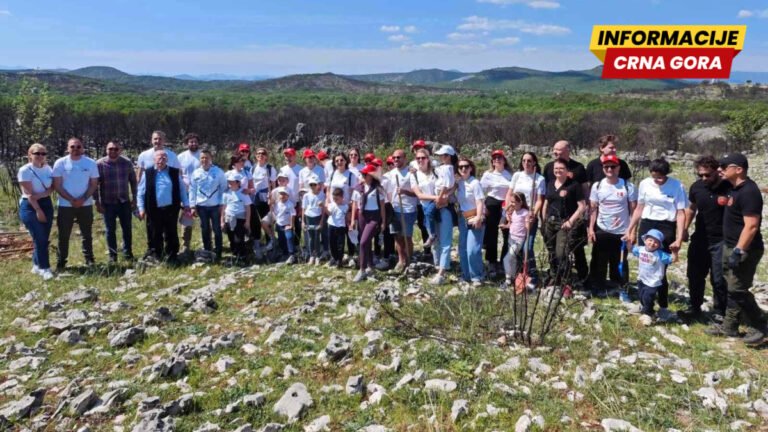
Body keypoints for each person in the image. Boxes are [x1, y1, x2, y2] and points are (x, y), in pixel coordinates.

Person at [706, 153, 767, 346]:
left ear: (739, 169)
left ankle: (760, 325)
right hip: (729, 244)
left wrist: (739, 251)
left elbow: (751, 226)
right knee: (730, 286)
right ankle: (730, 326)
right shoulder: (734, 189)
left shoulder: (749, 192)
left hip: (745, 248)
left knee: (737, 289)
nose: (720, 170)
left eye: (724, 166)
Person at [626, 158, 686, 322]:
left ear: (666, 174)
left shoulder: (676, 186)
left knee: (660, 270)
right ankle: (644, 304)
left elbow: (681, 213)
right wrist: (630, 229)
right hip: (647, 224)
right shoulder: (645, 184)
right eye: (654, 177)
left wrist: (679, 238)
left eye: (660, 177)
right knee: (645, 264)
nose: (657, 180)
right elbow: (639, 208)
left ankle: (663, 306)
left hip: (666, 226)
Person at [678, 155, 731, 322]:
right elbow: (691, 209)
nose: (704, 178)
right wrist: (685, 228)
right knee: (694, 274)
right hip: (700, 238)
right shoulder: (696, 187)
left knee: (719, 278)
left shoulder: (728, 187)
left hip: (721, 239)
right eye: (700, 175)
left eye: (707, 175)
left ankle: (720, 312)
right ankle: (694, 307)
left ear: (717, 171)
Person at [587, 154, 637, 299]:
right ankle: (598, 287)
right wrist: (591, 228)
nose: (610, 169)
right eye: (606, 166)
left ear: (618, 168)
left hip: (622, 230)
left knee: (620, 261)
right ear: (603, 169)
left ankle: (621, 288)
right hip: (602, 228)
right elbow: (593, 209)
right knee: (599, 260)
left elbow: (634, 210)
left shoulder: (628, 186)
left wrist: (632, 231)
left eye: (613, 166)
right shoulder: (597, 186)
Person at [542, 140, 589, 286]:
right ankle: (555, 276)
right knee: (552, 250)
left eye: (559, 150)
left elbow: (584, 195)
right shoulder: (549, 170)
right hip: (551, 220)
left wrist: (578, 217)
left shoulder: (579, 169)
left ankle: (579, 277)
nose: (556, 153)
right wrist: (543, 219)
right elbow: (546, 199)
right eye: (554, 150)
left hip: (569, 219)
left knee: (569, 250)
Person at [52, 137, 100, 269]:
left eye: (78, 146)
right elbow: (57, 185)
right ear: (68, 148)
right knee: (64, 235)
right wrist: (72, 200)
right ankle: (61, 262)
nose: (75, 149)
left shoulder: (90, 163)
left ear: (82, 148)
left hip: (85, 204)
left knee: (87, 234)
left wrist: (82, 199)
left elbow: (93, 184)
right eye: (72, 146)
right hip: (65, 205)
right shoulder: (60, 163)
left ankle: (89, 260)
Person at [137, 150, 191, 264]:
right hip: (153, 209)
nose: (161, 159)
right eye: (158, 157)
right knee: (155, 232)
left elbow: (182, 190)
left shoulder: (174, 172)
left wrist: (186, 204)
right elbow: (140, 193)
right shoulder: (148, 173)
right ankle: (157, 254)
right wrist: (141, 208)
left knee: (171, 232)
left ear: (167, 159)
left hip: (171, 208)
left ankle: (172, 255)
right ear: (154, 160)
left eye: (163, 157)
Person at [505, 152, 546, 286]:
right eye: (524, 160)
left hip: (528, 216)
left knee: (527, 248)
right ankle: (515, 274)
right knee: (513, 245)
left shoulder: (539, 179)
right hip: (515, 214)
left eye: (529, 161)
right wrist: (507, 209)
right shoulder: (517, 176)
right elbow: (510, 194)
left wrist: (533, 213)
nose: (526, 163)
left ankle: (532, 276)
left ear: (534, 162)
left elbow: (540, 200)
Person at [95, 140, 138, 263]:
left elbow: (133, 182)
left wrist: (135, 199)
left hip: (124, 202)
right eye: (110, 149)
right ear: (106, 149)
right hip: (107, 203)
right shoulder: (99, 164)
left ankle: (128, 253)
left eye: (116, 149)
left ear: (120, 150)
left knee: (127, 228)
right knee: (110, 230)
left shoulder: (126, 163)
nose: (113, 151)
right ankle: (113, 256)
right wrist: (97, 202)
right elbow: (94, 185)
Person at [18, 143, 55, 280]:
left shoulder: (48, 169)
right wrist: (38, 210)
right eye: (37, 153)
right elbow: (29, 194)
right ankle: (45, 268)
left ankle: (36, 264)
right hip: (30, 206)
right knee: (40, 237)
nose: (40, 156)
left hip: (46, 203)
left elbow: (52, 187)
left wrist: (42, 196)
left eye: (43, 153)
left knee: (43, 236)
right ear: (30, 155)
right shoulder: (25, 170)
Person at [631, 229, 676, 326]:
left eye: (656, 242)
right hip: (642, 278)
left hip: (653, 281)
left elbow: (672, 259)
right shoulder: (640, 249)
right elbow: (632, 249)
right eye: (650, 240)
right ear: (645, 240)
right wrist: (627, 241)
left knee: (648, 297)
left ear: (659, 245)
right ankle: (648, 309)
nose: (652, 243)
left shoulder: (660, 254)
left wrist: (675, 251)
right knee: (641, 296)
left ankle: (647, 315)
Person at [350, 164, 386, 282]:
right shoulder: (358, 188)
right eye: (362, 174)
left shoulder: (378, 189)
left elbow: (382, 206)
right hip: (362, 216)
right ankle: (370, 266)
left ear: (371, 176)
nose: (363, 176)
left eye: (365, 174)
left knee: (363, 242)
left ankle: (362, 269)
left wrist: (383, 222)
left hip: (374, 216)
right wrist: (352, 220)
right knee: (366, 242)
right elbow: (355, 205)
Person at [189, 150, 227, 259]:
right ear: (199, 159)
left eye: (206, 157)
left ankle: (218, 251)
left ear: (211, 159)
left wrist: (221, 204)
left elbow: (223, 188)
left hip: (215, 206)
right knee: (205, 228)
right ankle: (207, 250)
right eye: (202, 158)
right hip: (201, 206)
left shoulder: (218, 172)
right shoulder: (196, 173)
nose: (204, 160)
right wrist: (192, 206)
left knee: (217, 228)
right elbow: (192, 190)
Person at [429, 144, 458, 285]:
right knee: (440, 239)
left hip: (444, 206)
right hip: (441, 204)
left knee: (445, 241)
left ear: (450, 156)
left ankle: (441, 273)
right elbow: (453, 186)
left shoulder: (448, 168)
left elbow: (446, 185)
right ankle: (442, 267)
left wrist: (440, 198)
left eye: (445, 155)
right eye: (441, 155)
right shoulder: (444, 168)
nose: (442, 157)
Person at [386, 149, 419, 273]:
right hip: (395, 208)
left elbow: (417, 193)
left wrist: (405, 192)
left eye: (399, 157)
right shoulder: (390, 173)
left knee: (407, 237)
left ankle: (409, 260)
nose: (396, 160)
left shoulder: (411, 173)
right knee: (397, 237)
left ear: (405, 158)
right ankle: (401, 260)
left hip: (408, 209)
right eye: (394, 157)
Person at [480, 149, 512, 275]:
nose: (497, 160)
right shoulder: (488, 175)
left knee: (507, 233)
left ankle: (504, 261)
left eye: (500, 158)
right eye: (495, 158)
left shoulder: (510, 175)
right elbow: (480, 192)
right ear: (492, 161)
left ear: (504, 160)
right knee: (491, 234)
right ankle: (491, 261)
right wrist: (483, 208)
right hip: (492, 204)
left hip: (506, 205)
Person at [326, 152, 359, 266]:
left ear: (346, 161)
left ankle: (350, 255)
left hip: (347, 207)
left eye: (341, 160)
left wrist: (351, 208)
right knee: (334, 234)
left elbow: (355, 191)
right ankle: (335, 257)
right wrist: (327, 203)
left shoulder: (351, 175)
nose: (339, 162)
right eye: (337, 161)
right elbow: (329, 189)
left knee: (349, 233)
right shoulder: (332, 174)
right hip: (334, 207)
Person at [457, 157, 486, 284]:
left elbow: (480, 201)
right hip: (463, 218)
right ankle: (466, 275)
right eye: (461, 167)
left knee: (473, 249)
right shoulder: (458, 183)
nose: (463, 169)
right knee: (462, 249)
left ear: (471, 168)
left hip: (475, 217)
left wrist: (479, 217)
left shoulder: (475, 183)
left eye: (466, 166)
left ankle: (477, 276)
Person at [499, 192, 530, 289]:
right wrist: (505, 225)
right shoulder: (513, 211)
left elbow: (527, 227)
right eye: (511, 202)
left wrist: (529, 221)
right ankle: (513, 277)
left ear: (520, 202)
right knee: (512, 259)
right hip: (511, 238)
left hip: (518, 240)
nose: (511, 204)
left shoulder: (525, 212)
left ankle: (508, 280)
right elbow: (512, 224)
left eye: (514, 202)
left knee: (507, 258)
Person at [177, 133, 202, 255]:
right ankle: (185, 245)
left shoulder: (203, 156)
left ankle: (207, 244)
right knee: (187, 219)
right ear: (187, 144)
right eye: (191, 142)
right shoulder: (181, 157)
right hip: (186, 192)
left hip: (202, 192)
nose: (193, 144)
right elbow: (178, 174)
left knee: (205, 219)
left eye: (195, 142)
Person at [410, 148, 438, 248]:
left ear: (428, 159)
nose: (420, 160)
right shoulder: (414, 175)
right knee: (426, 223)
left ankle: (432, 236)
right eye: (418, 158)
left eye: (423, 158)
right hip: (426, 204)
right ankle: (436, 261)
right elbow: (419, 195)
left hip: (439, 204)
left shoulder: (435, 171)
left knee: (440, 235)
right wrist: (436, 197)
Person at [221, 171, 252, 260]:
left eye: (232, 181)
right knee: (231, 236)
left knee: (239, 237)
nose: (230, 183)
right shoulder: (226, 193)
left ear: (238, 182)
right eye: (229, 181)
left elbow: (248, 208)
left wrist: (247, 221)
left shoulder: (243, 193)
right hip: (229, 217)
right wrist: (222, 221)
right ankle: (235, 254)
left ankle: (242, 255)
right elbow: (223, 208)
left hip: (240, 218)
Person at [251, 147, 277, 250]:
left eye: (263, 153)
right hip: (255, 198)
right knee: (257, 222)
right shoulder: (253, 168)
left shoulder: (270, 168)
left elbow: (274, 185)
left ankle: (270, 242)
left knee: (267, 221)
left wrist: (273, 199)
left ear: (266, 156)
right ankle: (257, 242)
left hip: (267, 197)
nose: (260, 155)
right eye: (258, 153)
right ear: (256, 156)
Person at [302, 175, 325, 265]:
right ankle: (312, 256)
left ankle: (318, 256)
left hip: (318, 216)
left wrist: (321, 221)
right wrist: (303, 221)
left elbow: (323, 210)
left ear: (318, 185)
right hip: (309, 216)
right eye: (311, 185)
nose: (312, 186)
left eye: (314, 184)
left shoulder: (322, 195)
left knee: (317, 237)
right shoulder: (306, 195)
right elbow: (304, 208)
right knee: (311, 237)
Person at [274, 186, 298, 265]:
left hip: (287, 225)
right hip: (279, 224)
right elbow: (275, 213)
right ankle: (284, 254)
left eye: (284, 194)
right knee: (281, 239)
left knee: (289, 238)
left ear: (287, 196)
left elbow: (293, 214)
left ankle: (292, 254)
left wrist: (291, 225)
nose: (282, 196)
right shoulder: (277, 204)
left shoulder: (290, 204)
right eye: (281, 194)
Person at [326, 188, 349, 268]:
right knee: (332, 243)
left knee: (340, 244)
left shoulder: (345, 206)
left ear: (342, 198)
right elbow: (329, 213)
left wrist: (349, 224)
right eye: (334, 198)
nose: (335, 200)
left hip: (341, 227)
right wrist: (323, 207)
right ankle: (334, 257)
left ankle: (339, 259)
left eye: (337, 199)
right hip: (332, 226)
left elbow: (346, 217)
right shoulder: (332, 205)